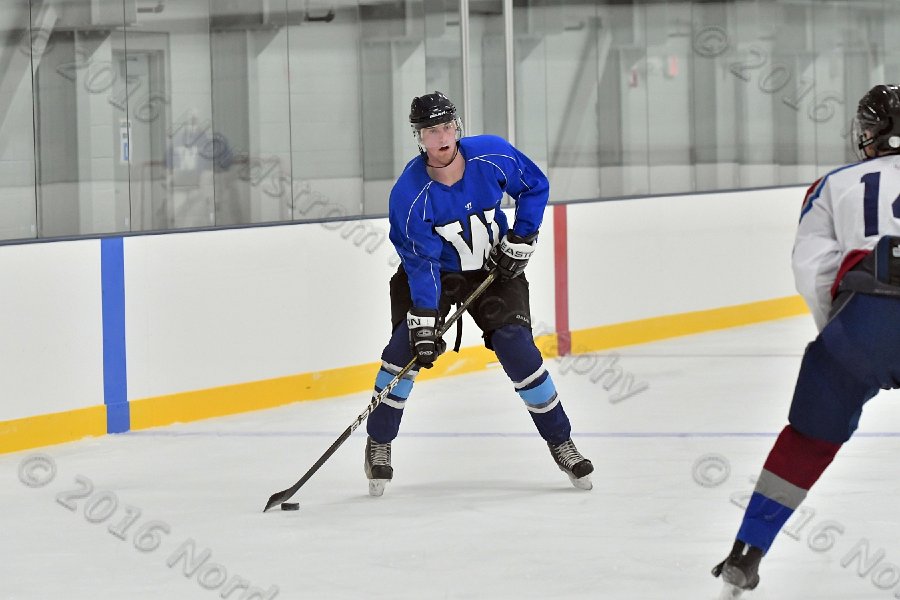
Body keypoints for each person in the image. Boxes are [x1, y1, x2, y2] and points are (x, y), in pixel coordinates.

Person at [712, 83, 900, 596]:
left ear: (871, 133)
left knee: (808, 439)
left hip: (865, 318)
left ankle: (747, 551)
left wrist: (837, 340)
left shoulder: (835, 183)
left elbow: (811, 271)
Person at [362, 91, 594, 497]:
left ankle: (561, 441)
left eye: (447, 126)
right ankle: (379, 442)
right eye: (432, 130)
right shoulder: (409, 194)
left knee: (517, 347)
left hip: (494, 270)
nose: (442, 136)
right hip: (435, 276)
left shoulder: (492, 154)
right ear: (419, 138)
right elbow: (421, 262)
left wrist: (522, 235)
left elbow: (535, 186)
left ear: (458, 128)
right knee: (405, 352)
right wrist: (424, 318)